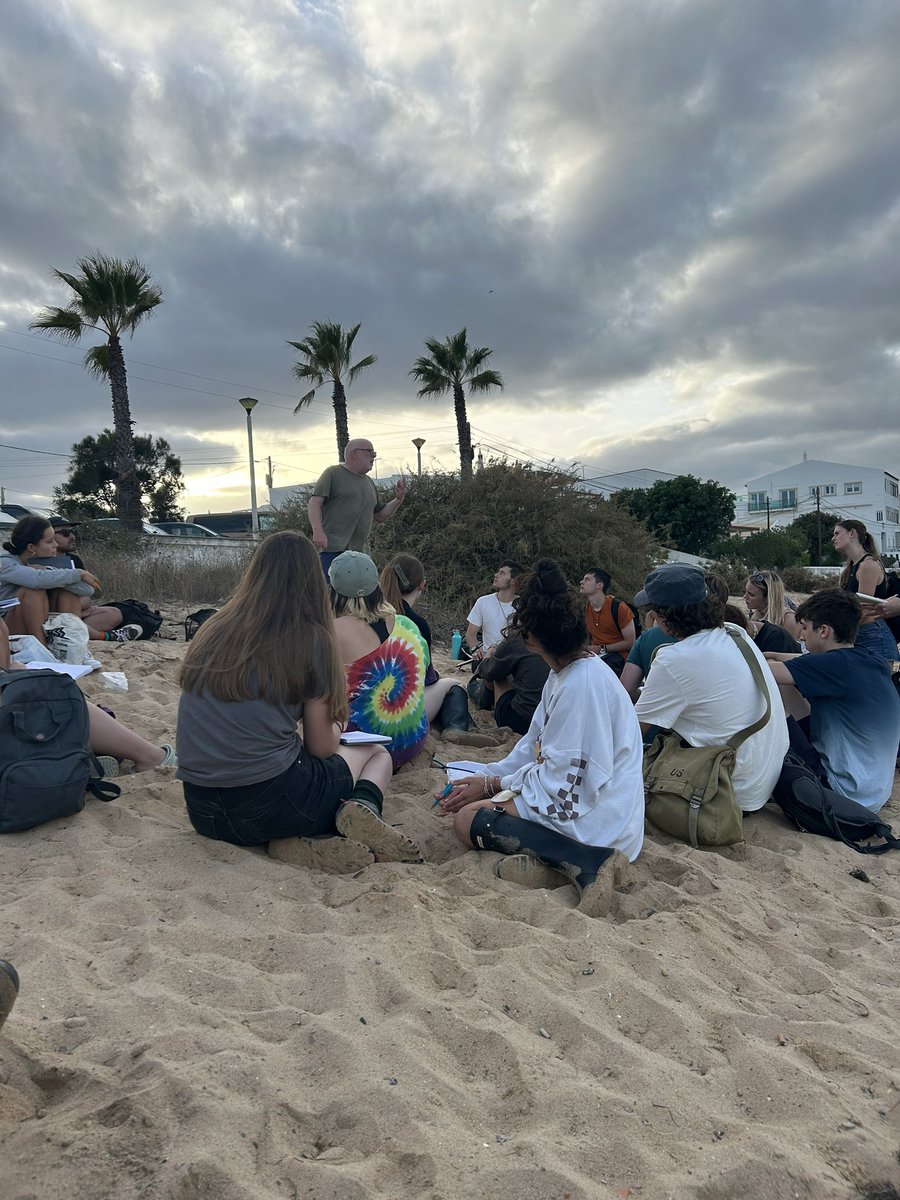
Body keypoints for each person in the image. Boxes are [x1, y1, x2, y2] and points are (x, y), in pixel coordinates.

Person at [176, 532, 420, 868]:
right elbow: (321, 748)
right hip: (269, 804)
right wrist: (337, 722)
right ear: (315, 581)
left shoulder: (214, 627)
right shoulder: (311, 638)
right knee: (376, 752)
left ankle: (294, 840)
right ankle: (362, 811)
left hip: (202, 810)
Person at [435, 559, 644, 919]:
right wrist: (485, 775)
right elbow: (532, 745)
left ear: (530, 638)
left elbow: (570, 781)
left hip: (600, 817)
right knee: (475, 799)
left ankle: (588, 860)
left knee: (468, 821)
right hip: (584, 795)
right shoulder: (566, 672)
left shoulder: (582, 685)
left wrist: (492, 785)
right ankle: (551, 866)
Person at [633, 563, 788, 813]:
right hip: (767, 779)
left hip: (729, 793)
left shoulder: (674, 659)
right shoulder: (735, 633)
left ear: (662, 617)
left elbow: (630, 733)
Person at [763, 590, 899, 812]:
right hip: (873, 793)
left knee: (771, 686)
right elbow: (804, 661)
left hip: (840, 792)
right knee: (786, 682)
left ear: (824, 630)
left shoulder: (835, 665)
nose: (800, 636)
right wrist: (773, 655)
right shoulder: (869, 659)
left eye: (805, 628)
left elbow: (760, 672)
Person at [378, 553, 495, 743]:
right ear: (422, 584)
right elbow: (424, 677)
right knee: (454, 686)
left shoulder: (373, 617)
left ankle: (462, 727)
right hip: (403, 709)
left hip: (371, 702)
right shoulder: (416, 624)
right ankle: (458, 728)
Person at [330, 551, 430, 770]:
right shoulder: (408, 625)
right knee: (447, 684)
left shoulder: (332, 631)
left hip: (365, 747)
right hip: (412, 742)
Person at [307, 439, 407, 574]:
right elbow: (314, 502)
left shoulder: (369, 483)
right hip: (332, 551)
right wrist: (318, 530)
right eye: (370, 452)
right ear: (354, 453)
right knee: (328, 593)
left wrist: (398, 500)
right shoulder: (333, 473)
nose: (374, 456)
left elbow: (380, 516)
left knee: (363, 593)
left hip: (361, 555)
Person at [1, 516, 100, 647]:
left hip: (42, 622)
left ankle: (70, 644)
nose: (56, 545)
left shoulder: (48, 565)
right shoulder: (6, 563)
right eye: (50, 541)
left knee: (66, 592)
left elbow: (87, 590)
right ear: (32, 548)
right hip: (9, 627)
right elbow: (35, 580)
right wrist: (79, 573)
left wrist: (48, 569)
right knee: (33, 591)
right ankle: (42, 650)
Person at [50, 517, 140, 639]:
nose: (72, 537)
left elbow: (87, 594)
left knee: (114, 614)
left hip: (76, 611)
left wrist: (80, 607)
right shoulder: (37, 561)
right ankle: (94, 634)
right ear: (49, 536)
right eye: (65, 533)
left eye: (73, 532)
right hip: (51, 612)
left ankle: (70, 631)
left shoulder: (74, 560)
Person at [833, 519, 898, 661]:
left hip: (873, 637)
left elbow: (862, 610)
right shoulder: (853, 566)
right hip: (862, 634)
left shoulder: (868, 566)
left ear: (852, 534)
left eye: (837, 533)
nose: (833, 538)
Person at [478, 631, 551, 735]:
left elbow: (489, 671)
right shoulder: (568, 639)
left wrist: (490, 652)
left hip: (522, 721)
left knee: (499, 673)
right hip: (556, 722)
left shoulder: (521, 637)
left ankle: (485, 705)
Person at [578, 567, 636, 676]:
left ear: (599, 585)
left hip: (616, 659)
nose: (582, 582)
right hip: (594, 657)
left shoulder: (618, 608)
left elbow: (630, 642)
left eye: (587, 579)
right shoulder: (585, 610)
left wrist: (601, 649)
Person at [464, 561, 525, 661]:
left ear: (514, 580)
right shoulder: (483, 601)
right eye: (498, 572)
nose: (496, 575)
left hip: (513, 658)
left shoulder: (523, 605)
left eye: (502, 573)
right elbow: (470, 635)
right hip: (488, 658)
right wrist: (476, 649)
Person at [743, 569, 800, 641]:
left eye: (751, 594)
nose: (745, 596)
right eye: (746, 591)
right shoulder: (756, 616)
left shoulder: (788, 620)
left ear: (768, 597)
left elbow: (794, 650)